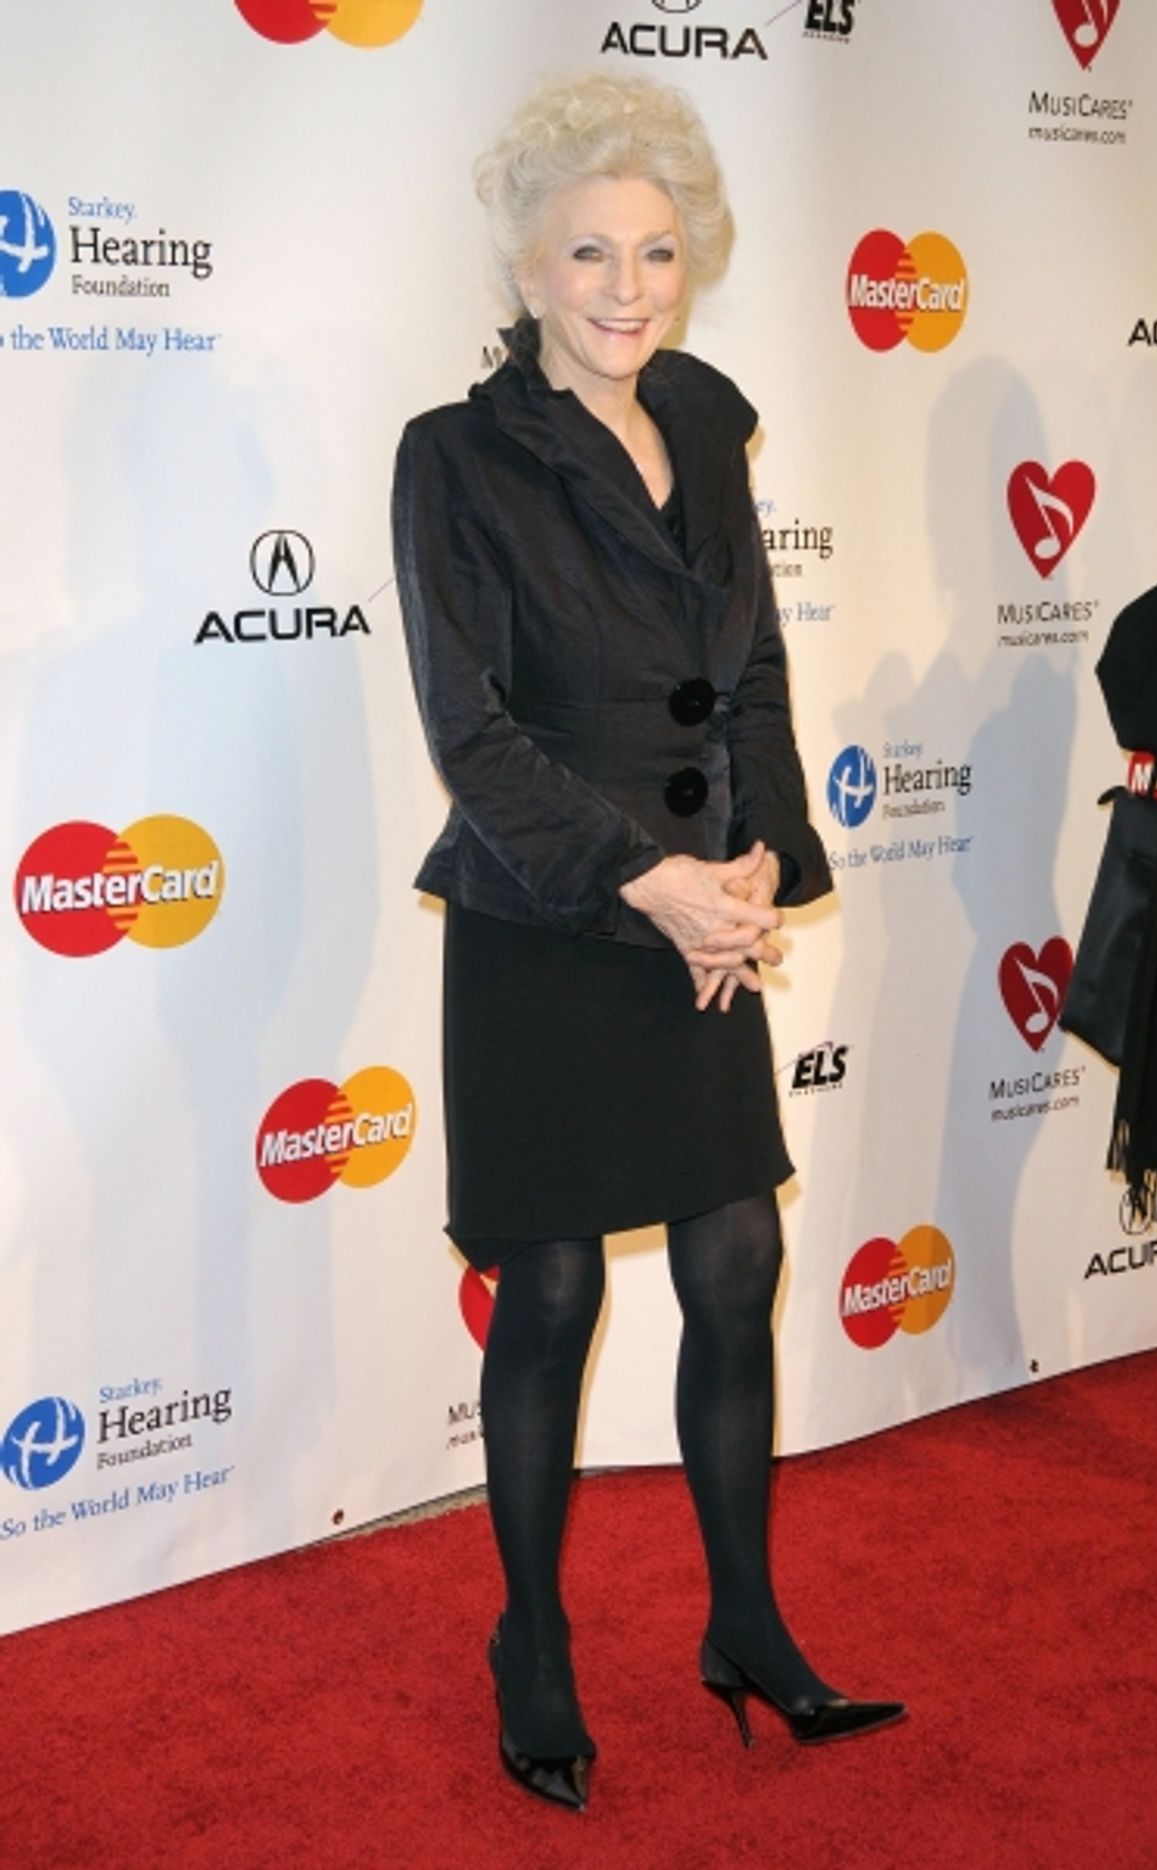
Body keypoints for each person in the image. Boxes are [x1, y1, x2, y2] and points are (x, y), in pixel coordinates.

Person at [391, 71, 905, 1812]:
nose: (630, 285)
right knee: (542, 1287)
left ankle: (745, 1617)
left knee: (736, 1261)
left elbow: (750, 674)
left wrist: (751, 865)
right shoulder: (456, 456)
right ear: (525, 271)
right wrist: (648, 881)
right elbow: (471, 732)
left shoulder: (706, 412)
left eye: (661, 251)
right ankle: (529, 1638)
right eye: (590, 252)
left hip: (702, 912)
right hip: (551, 911)